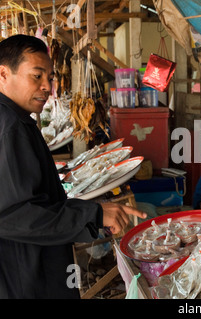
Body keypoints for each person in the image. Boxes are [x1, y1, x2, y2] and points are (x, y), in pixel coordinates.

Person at [0, 34, 146, 298]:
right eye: (36, 76)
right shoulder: (10, 128)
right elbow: (14, 214)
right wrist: (93, 216)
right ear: (3, 74)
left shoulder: (16, 120)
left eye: (50, 77)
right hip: (26, 278)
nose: (47, 86)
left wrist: (94, 212)